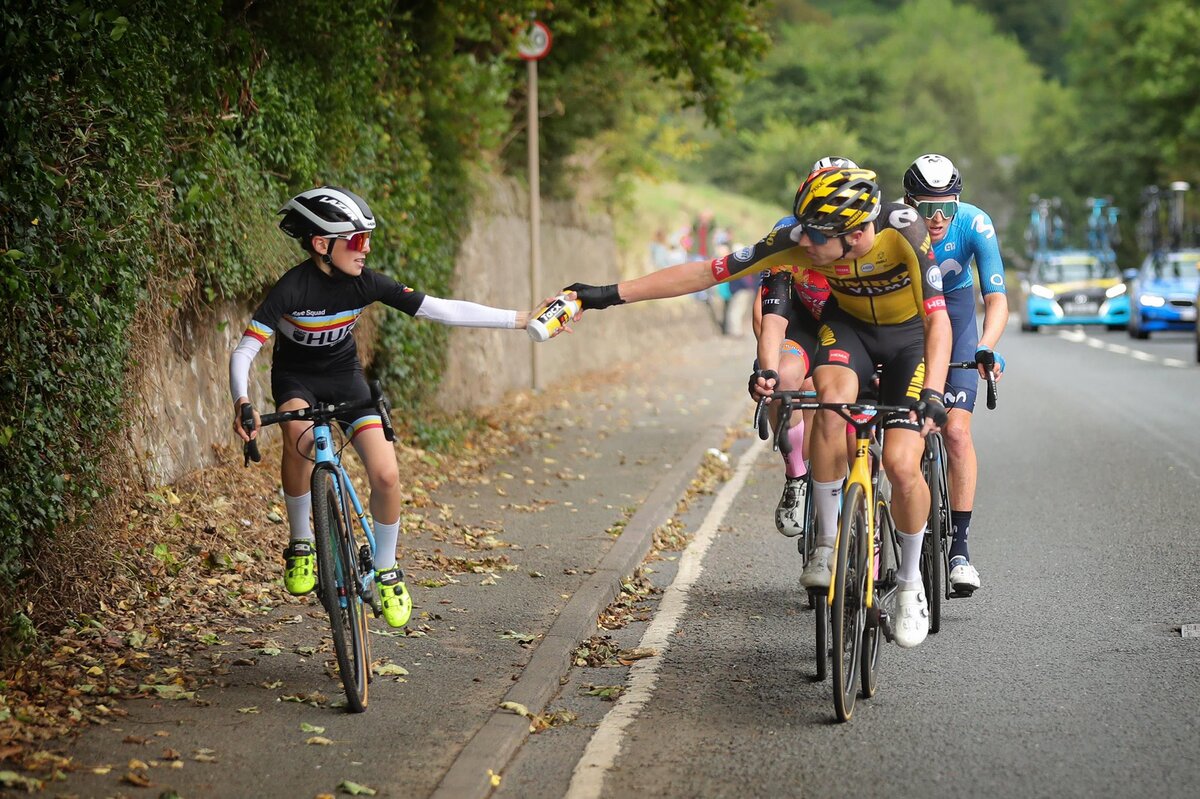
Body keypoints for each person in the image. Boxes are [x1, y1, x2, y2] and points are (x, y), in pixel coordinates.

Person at [565, 167, 951, 648]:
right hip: (848, 331)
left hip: (909, 340)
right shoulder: (798, 238)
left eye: (815, 235)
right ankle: (828, 544)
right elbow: (708, 271)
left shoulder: (903, 231)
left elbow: (938, 322)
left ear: (854, 235)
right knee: (831, 406)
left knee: (899, 462)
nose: (804, 243)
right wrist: (605, 296)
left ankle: (911, 584)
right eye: (802, 230)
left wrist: (933, 393)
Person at [229, 186, 550, 628]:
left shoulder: (367, 283)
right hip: (297, 380)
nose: (366, 249)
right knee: (298, 439)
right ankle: (301, 541)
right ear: (322, 245)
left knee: (386, 474)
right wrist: (242, 401)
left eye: (367, 240)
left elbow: (441, 310)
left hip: (346, 379)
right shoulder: (291, 288)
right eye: (357, 241)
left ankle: (386, 569)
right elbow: (244, 351)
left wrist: (520, 319)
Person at [902, 154, 1007, 595]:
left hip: (960, 318)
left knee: (957, 433)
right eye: (926, 207)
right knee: (902, 431)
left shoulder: (975, 224)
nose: (938, 217)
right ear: (910, 204)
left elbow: (996, 298)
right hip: (912, 321)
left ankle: (960, 550)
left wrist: (987, 346)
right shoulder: (896, 225)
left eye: (947, 205)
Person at [751, 156, 855, 537]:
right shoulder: (788, 233)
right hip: (804, 324)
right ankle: (796, 477)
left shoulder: (863, 233)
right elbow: (767, 313)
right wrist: (767, 369)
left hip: (853, 328)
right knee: (785, 378)